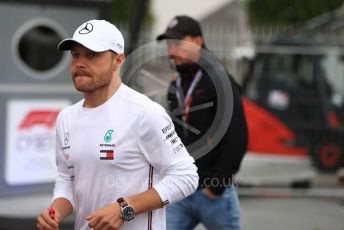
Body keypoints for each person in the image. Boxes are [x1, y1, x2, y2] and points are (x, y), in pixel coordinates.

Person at [36, 19, 198, 230]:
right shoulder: (66, 117)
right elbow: (67, 179)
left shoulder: (144, 113)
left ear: (118, 60)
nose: (80, 63)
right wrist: (55, 211)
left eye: (92, 55)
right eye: (76, 55)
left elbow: (186, 177)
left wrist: (125, 209)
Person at [157, 15, 248, 229]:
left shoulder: (219, 80)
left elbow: (237, 137)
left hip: (213, 192)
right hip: (179, 190)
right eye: (169, 44)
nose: (171, 50)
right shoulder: (176, 83)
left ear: (197, 42)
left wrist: (217, 186)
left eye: (178, 43)